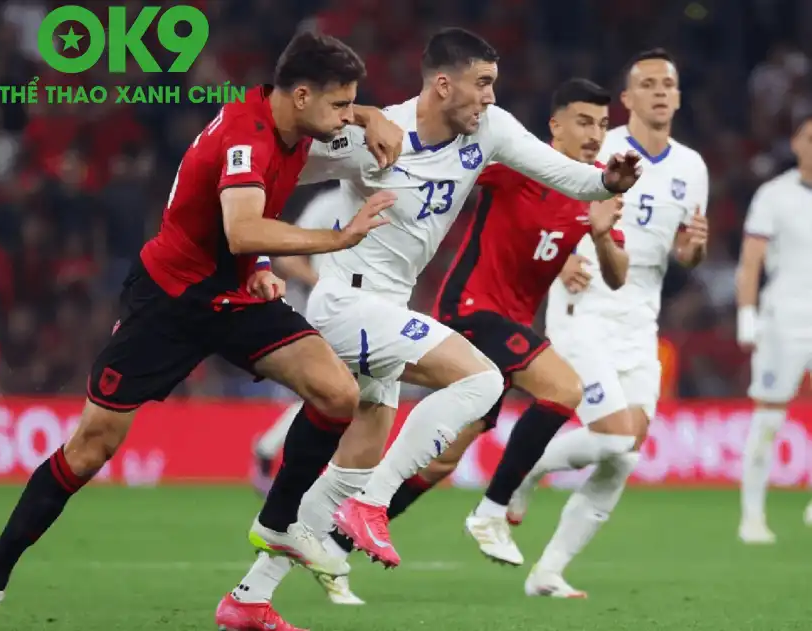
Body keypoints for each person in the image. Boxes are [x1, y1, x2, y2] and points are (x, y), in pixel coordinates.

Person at [0, 31, 405, 631]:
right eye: (340, 105)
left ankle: (278, 524)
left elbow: (252, 219)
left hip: (234, 297)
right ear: (302, 96)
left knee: (337, 394)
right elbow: (242, 230)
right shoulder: (247, 137)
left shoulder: (291, 120)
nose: (345, 118)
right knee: (91, 448)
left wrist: (371, 114)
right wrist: (338, 238)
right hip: (169, 302)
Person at [217, 29, 641, 631]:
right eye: (482, 84)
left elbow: (570, 177)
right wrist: (258, 260)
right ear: (444, 84)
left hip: (389, 308)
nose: (490, 97)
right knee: (481, 380)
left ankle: (249, 597)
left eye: (493, 84)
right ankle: (374, 504)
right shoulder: (374, 137)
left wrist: (609, 183)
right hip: (346, 303)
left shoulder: (491, 131)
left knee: (348, 469)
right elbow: (270, 175)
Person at [311, 77, 629, 605]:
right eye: (583, 121)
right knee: (562, 389)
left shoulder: (596, 188)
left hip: (513, 328)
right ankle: (494, 509)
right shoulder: (513, 163)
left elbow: (617, 276)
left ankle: (334, 545)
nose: (595, 133)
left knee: (441, 462)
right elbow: (448, 171)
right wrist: (378, 125)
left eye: (601, 123)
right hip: (471, 311)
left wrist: (597, 236)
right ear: (555, 126)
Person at [507, 48, 709, 598]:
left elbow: (685, 256)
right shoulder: (600, 146)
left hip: (641, 316)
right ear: (627, 98)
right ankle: (524, 468)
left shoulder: (692, 167)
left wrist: (693, 250)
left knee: (624, 456)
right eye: (648, 83)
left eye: (668, 84)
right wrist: (559, 260)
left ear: (678, 97)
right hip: (586, 303)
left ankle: (548, 572)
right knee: (615, 437)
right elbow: (534, 207)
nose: (660, 91)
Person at [736, 114, 812, 543]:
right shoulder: (774, 195)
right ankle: (752, 517)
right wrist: (747, 315)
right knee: (768, 418)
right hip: (784, 320)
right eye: (810, 138)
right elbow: (751, 261)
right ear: (796, 143)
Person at [251, 186, 342, 496]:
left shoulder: (386, 201)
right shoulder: (329, 204)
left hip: (364, 311)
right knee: (339, 390)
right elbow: (288, 259)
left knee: (336, 391)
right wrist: (323, 284)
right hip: (329, 311)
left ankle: (270, 448)